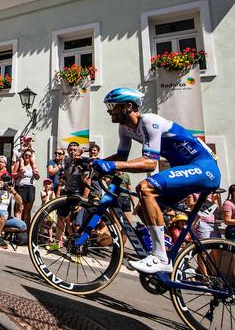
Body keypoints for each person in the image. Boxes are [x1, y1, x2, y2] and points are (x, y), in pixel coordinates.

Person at [92, 87, 220, 273]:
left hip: (204, 168)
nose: (109, 111)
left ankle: (160, 257)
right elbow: (121, 158)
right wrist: (94, 162)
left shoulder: (149, 121)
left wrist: (112, 167)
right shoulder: (125, 128)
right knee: (143, 210)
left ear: (128, 106)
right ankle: (171, 255)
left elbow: (150, 163)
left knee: (145, 188)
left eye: (113, 106)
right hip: (184, 170)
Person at [0, 175, 26, 249]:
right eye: (4, 180)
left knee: (23, 226)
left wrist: (14, 192)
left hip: (3, 218)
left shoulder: (9, 190)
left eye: (7, 181)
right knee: (4, 213)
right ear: (0, 180)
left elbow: (20, 202)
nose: (5, 183)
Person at [12, 148, 40, 227]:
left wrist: (37, 176)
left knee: (27, 212)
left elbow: (37, 177)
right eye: (26, 155)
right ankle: (18, 231)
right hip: (21, 187)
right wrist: (20, 173)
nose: (27, 156)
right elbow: (13, 174)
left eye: (29, 155)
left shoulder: (33, 164)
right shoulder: (19, 162)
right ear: (23, 155)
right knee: (19, 209)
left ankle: (26, 232)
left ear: (31, 157)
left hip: (31, 188)